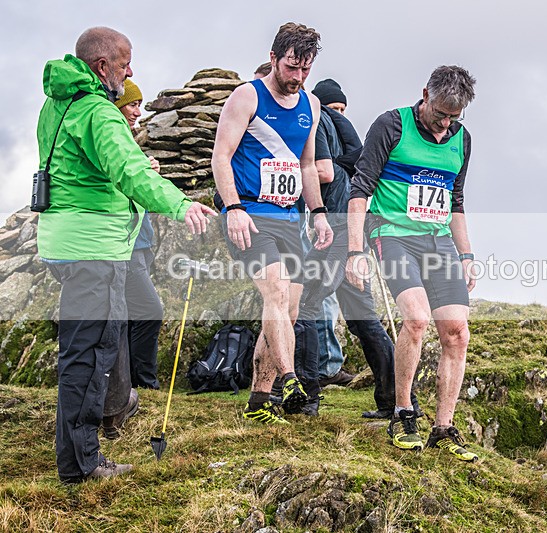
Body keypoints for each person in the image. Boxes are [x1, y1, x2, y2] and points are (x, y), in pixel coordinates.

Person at [37, 26, 215, 483]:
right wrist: (179, 203)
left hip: (65, 242)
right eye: (124, 62)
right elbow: (130, 172)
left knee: (96, 345)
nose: (129, 70)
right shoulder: (99, 112)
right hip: (93, 249)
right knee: (88, 354)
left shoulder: (57, 105)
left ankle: (113, 410)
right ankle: (81, 464)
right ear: (102, 67)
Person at [346, 66, 478, 460]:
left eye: (454, 117)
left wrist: (467, 255)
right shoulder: (391, 125)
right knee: (417, 319)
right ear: (425, 95)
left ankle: (444, 427)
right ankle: (402, 412)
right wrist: (355, 252)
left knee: (456, 331)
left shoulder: (461, 139)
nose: (445, 124)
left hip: (437, 240)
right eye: (440, 113)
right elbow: (360, 189)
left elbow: (455, 200)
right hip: (393, 234)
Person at [212, 22, 333, 425]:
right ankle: (291, 379)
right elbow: (221, 156)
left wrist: (318, 215)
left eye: (305, 70)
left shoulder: (312, 105)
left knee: (288, 311)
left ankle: (259, 400)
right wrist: (233, 209)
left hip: (289, 219)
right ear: (273, 59)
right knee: (276, 293)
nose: (297, 77)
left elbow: (305, 165)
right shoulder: (247, 96)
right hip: (250, 215)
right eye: (290, 67)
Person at [286, 78, 415, 418]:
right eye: (336, 106)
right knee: (363, 319)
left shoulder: (316, 119)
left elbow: (324, 172)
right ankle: (394, 401)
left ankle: (307, 398)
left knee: (308, 303)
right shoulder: (342, 128)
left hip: (338, 225)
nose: (338, 112)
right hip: (351, 228)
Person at [115, 78, 164, 395]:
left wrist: (149, 174)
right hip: (126, 245)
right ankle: (143, 382)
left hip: (142, 243)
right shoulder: (113, 140)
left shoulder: (130, 142)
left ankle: (131, 382)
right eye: (133, 104)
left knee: (134, 315)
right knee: (150, 311)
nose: (138, 111)